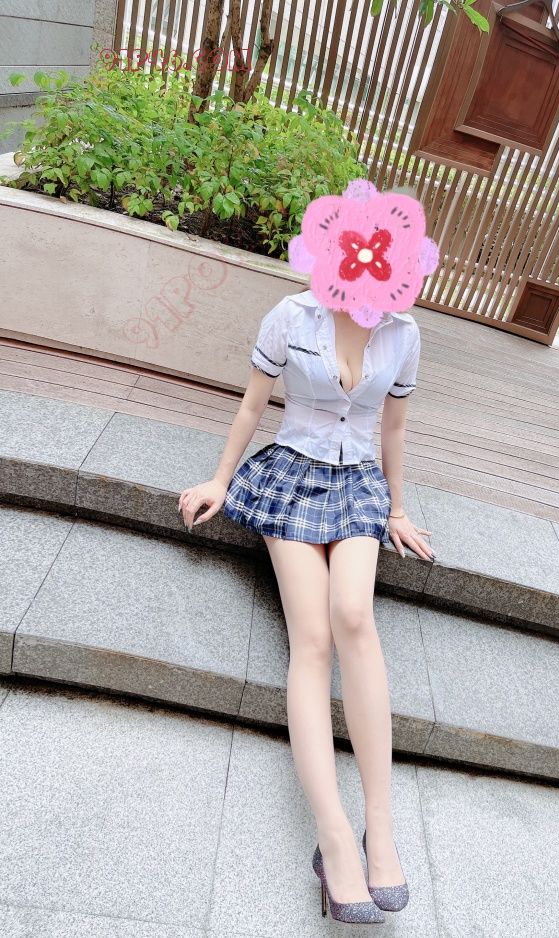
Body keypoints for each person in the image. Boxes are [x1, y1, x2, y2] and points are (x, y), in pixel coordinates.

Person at [178, 179, 438, 924]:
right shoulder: (292, 315)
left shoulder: (403, 332)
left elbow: (393, 428)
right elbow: (252, 403)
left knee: (354, 614)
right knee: (314, 639)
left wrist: (398, 507)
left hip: (357, 485)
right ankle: (334, 838)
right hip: (290, 476)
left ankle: (380, 828)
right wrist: (220, 479)